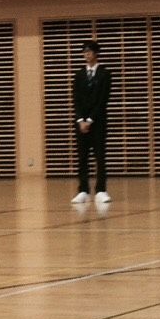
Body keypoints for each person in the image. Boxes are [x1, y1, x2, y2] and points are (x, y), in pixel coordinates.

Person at [71, 40, 113, 205]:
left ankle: (101, 190)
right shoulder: (79, 75)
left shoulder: (105, 74)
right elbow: (76, 99)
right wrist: (80, 119)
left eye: (89, 51)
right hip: (81, 123)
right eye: (84, 52)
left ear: (96, 54)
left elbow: (103, 100)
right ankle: (83, 190)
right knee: (82, 157)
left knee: (100, 155)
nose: (86, 54)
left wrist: (90, 119)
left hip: (98, 122)